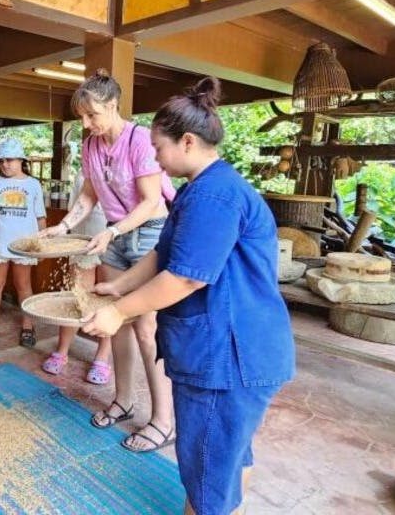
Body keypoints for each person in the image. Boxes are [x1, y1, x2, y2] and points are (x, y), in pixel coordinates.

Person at [83, 77, 295, 515]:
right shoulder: (198, 189)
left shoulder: (213, 196)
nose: (155, 159)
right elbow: (163, 253)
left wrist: (118, 312)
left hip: (228, 358)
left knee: (207, 473)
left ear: (187, 142)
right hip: (235, 351)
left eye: (158, 148)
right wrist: (119, 285)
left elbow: (184, 279)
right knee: (229, 459)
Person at [41, 68, 177, 453]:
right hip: (115, 235)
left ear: (113, 105)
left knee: (146, 327)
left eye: (92, 115)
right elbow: (89, 194)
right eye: (82, 117)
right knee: (115, 324)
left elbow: (150, 202)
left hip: (148, 234)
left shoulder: (139, 140)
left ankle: (163, 420)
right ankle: (124, 400)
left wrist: (113, 232)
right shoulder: (91, 144)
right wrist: (63, 226)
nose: (86, 124)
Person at [41, 173, 110, 381]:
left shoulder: (126, 166)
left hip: (113, 243)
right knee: (76, 298)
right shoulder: (84, 172)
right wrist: (64, 230)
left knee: (107, 300)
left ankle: (102, 357)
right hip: (82, 242)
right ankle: (62, 351)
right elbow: (77, 206)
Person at [0, 138, 46, 347]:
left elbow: (40, 217)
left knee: (23, 285)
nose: (5, 165)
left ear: (21, 160)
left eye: (10, 160)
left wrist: (42, 244)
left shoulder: (33, 185)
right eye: (2, 161)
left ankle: (28, 327)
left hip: (24, 246)